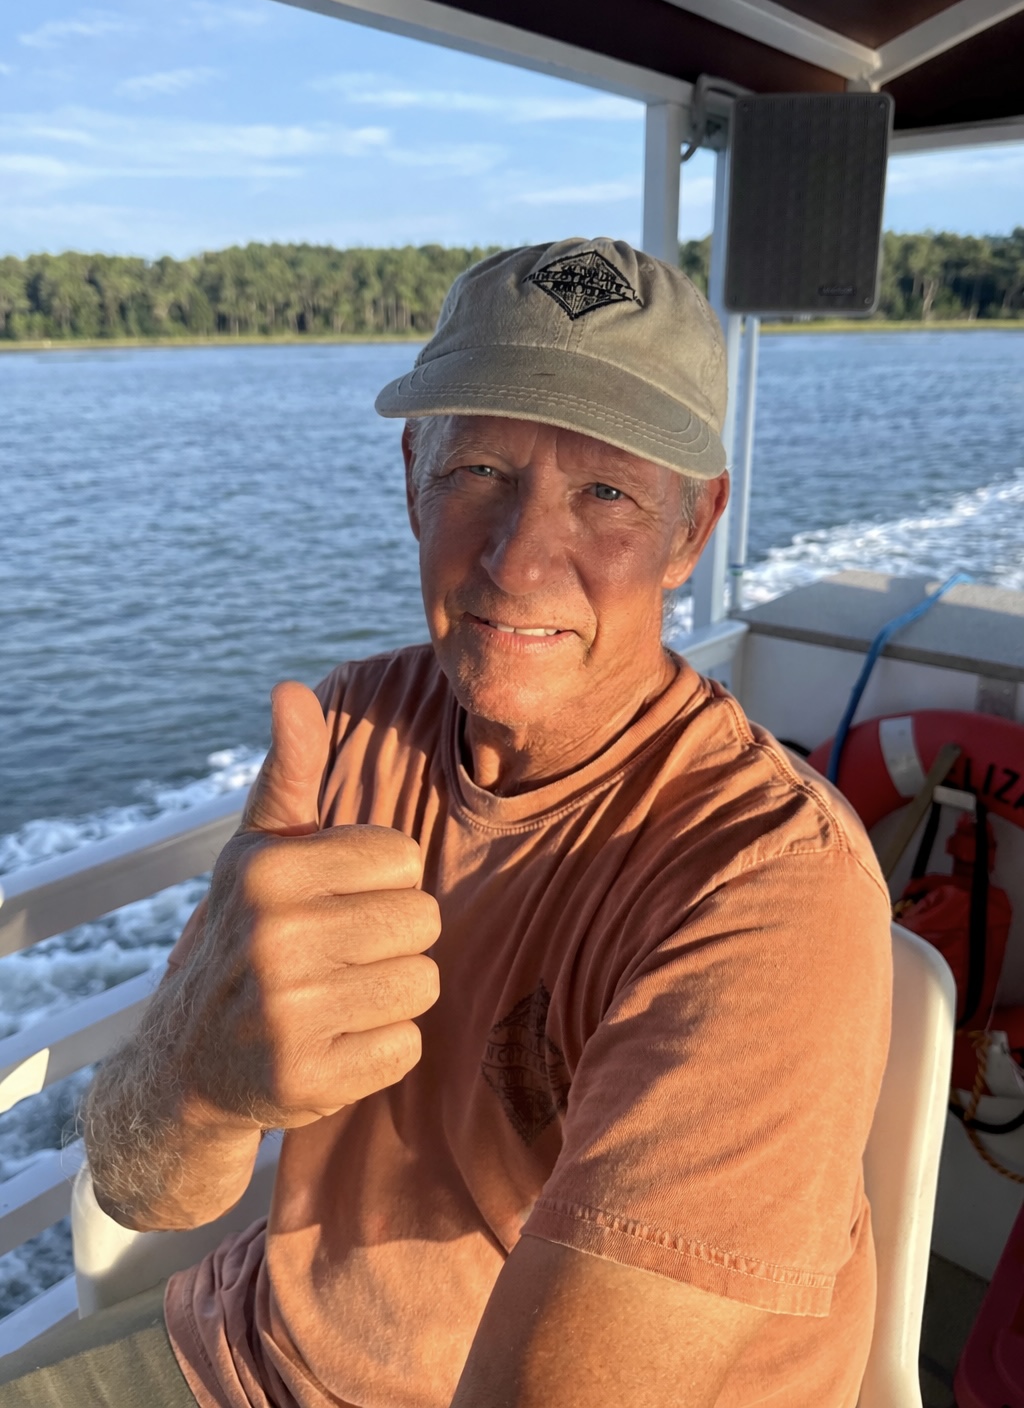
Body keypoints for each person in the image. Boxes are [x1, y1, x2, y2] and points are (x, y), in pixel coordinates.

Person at [0, 238, 892, 1408]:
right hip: (245, 1351)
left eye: (606, 493)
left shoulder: (764, 888)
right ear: (410, 473)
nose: (518, 562)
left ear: (692, 528)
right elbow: (140, 1187)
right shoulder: (352, 726)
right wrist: (199, 1076)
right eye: (477, 470)